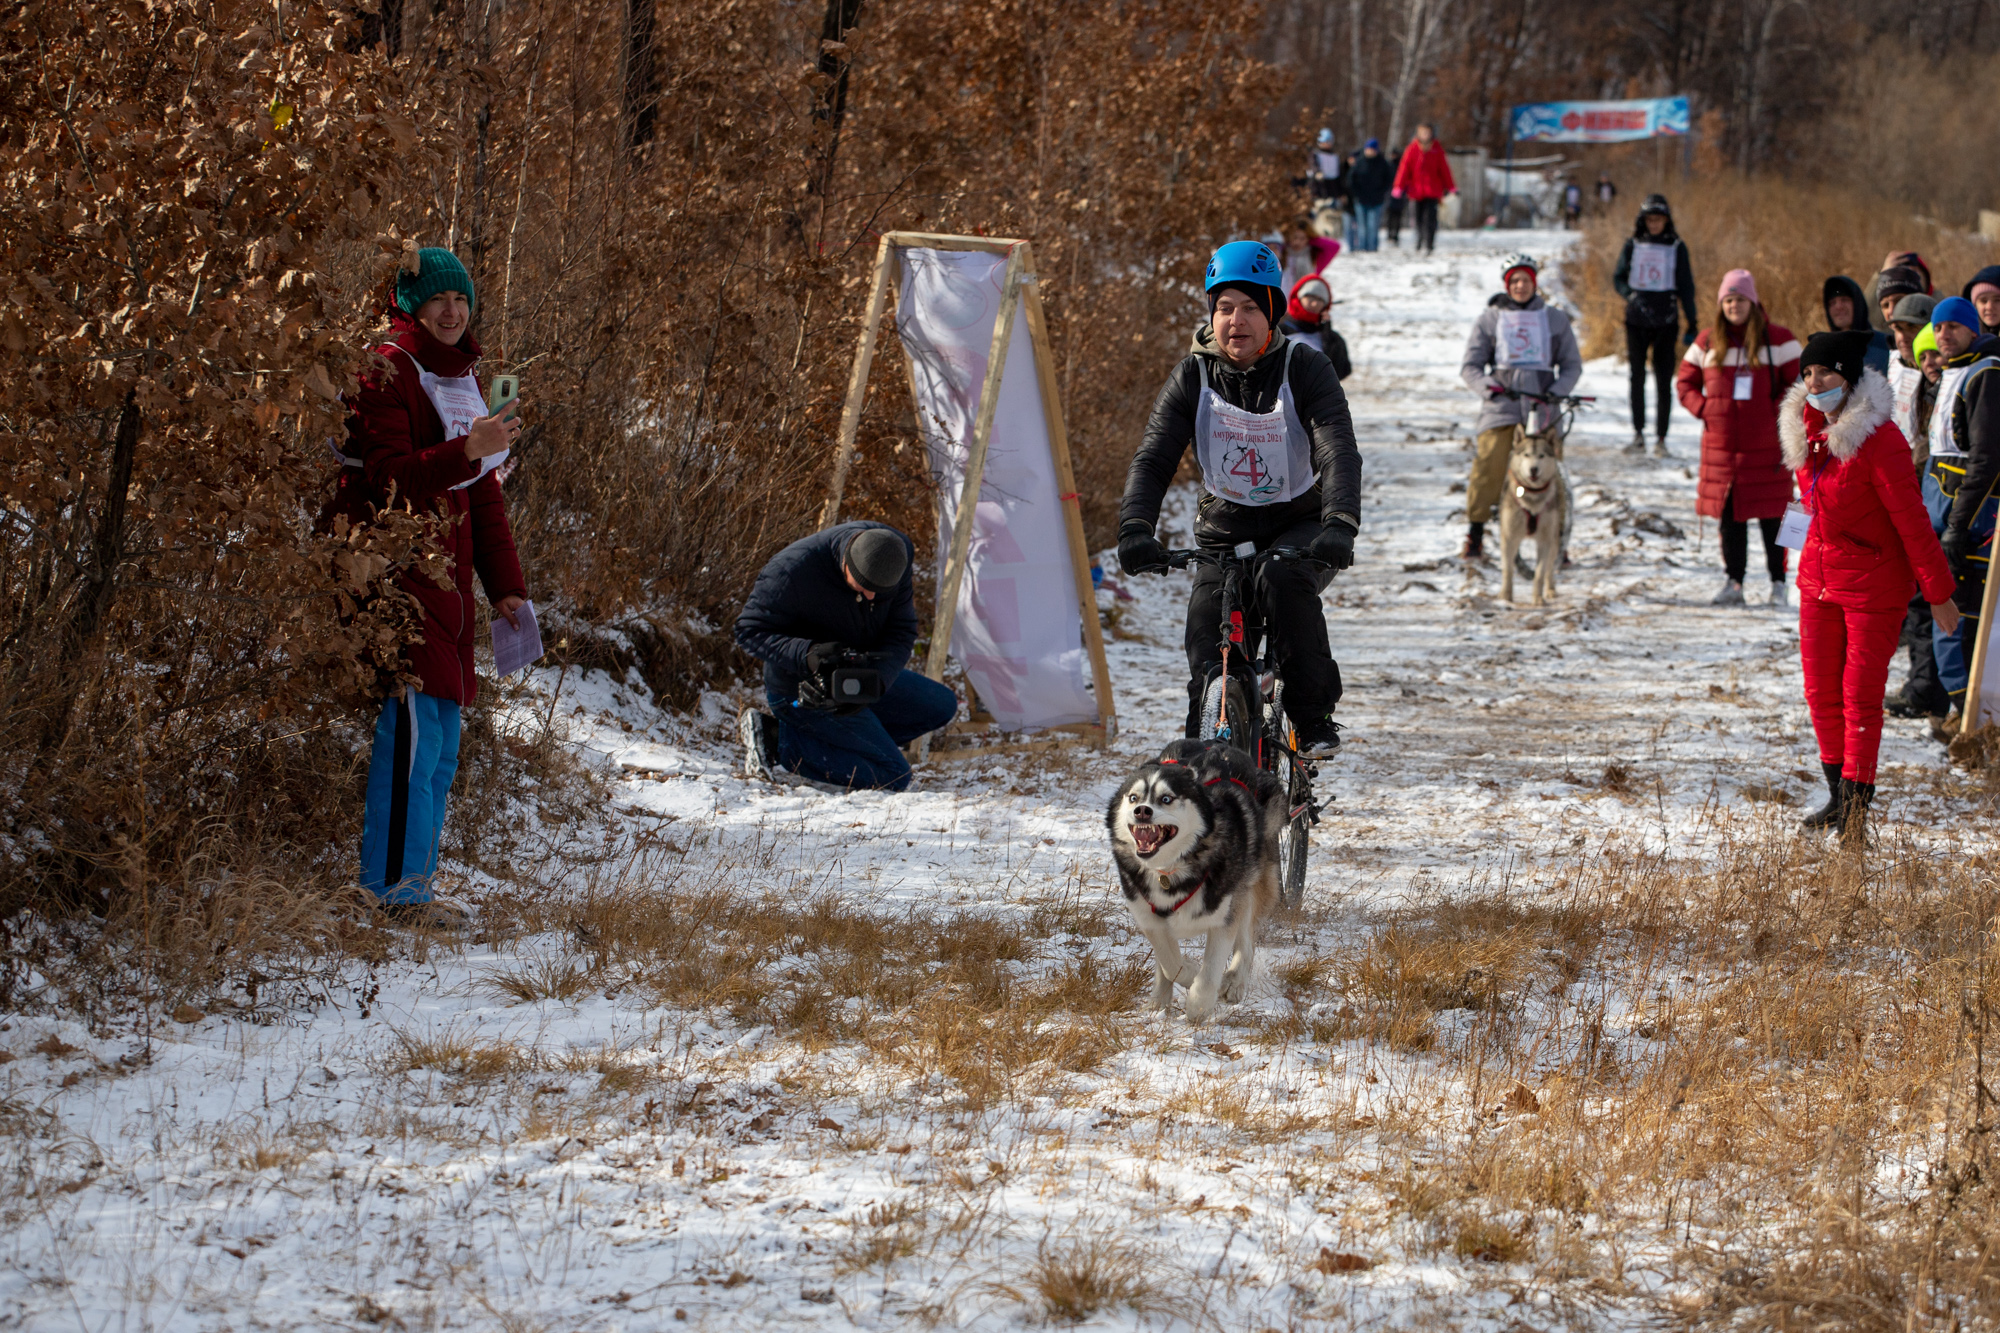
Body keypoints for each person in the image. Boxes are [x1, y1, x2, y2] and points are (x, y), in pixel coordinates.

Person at [327, 246, 528, 926]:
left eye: (462, 300)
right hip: (392, 573)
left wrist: (506, 588)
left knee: (439, 741)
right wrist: (466, 450)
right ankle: (388, 893)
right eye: (439, 299)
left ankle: (414, 886)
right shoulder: (387, 369)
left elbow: (485, 499)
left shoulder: (464, 377)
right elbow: (385, 479)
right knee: (410, 735)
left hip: (447, 580)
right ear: (410, 304)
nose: (452, 311)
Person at [1116, 240, 1361, 752]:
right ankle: (1203, 750)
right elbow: (1155, 456)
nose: (1236, 320)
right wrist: (1136, 528)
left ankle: (1313, 720)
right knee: (1208, 632)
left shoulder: (1305, 367)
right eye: (1225, 307)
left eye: (1250, 307)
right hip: (1223, 531)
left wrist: (1340, 523)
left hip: (1300, 526)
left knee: (1281, 579)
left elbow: (1337, 447)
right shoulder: (1193, 375)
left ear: (1273, 311)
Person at [1777, 331, 1958, 839]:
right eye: (1809, 374)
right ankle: (1836, 795)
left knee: (1859, 698)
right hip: (1818, 580)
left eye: (1826, 373)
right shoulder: (1807, 435)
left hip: (1875, 586)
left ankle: (1856, 812)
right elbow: (1805, 507)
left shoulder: (1880, 441)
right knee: (1820, 693)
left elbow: (1913, 523)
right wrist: (1794, 556)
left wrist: (1939, 594)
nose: (1816, 383)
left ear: (1850, 377)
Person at [734, 522, 958, 791]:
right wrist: (808, 654)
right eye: (863, 586)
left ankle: (851, 744)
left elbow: (902, 631)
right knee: (894, 776)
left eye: (880, 591)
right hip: (802, 688)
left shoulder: (896, 552)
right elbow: (749, 631)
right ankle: (776, 738)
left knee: (940, 704)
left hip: (859, 676)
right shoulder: (791, 570)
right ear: (845, 565)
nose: (872, 595)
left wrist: (877, 683)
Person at [1677, 268, 1801, 607]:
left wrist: (1776, 415)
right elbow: (1684, 382)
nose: (1734, 305)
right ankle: (1734, 583)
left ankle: (1778, 584)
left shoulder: (1780, 340)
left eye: (1740, 299)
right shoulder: (1705, 341)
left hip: (1768, 449)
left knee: (1774, 516)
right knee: (1730, 517)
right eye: (1728, 299)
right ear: (1721, 304)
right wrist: (1705, 408)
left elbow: (1798, 385)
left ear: (1753, 302)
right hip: (1723, 451)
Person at [1457, 253, 1582, 561]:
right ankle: (1475, 533)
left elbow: (1571, 365)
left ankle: (1556, 541)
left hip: (1543, 407)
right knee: (1489, 466)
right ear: (1507, 285)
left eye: (1526, 280)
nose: (1520, 286)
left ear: (1535, 283)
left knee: (1551, 471)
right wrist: (1490, 389)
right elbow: (1470, 366)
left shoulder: (1554, 319)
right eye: (1514, 281)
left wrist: (1555, 392)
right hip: (1502, 407)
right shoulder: (1490, 319)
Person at [1925, 296, 2000, 717]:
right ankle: (1956, 708)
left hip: (1970, 521)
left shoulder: (1985, 374)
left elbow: (1987, 458)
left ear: (1973, 329)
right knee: (1942, 614)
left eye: (1953, 326)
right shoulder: (1950, 374)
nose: (1944, 334)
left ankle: (1970, 715)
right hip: (1940, 516)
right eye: (1938, 328)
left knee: (1963, 618)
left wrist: (1958, 524)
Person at [1884, 302, 1950, 719]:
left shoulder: (1950, 385)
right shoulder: (1897, 373)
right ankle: (1922, 683)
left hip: (1936, 499)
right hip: (1911, 494)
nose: (1906, 340)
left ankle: (1930, 689)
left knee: (1931, 597)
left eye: (1914, 331)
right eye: (1899, 330)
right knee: (1915, 599)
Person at [1612, 195, 1698, 457]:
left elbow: (1686, 286)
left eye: (1658, 219)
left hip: (1666, 320)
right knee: (1636, 378)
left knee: (1663, 381)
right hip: (1636, 320)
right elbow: (1618, 277)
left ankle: (1661, 438)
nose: (1654, 224)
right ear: (1643, 220)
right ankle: (1638, 435)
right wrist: (1630, 294)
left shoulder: (1676, 246)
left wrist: (1692, 322)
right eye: (1650, 219)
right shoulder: (1633, 244)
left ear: (1666, 220)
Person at [1390, 123, 1455, 255]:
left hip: (1432, 190)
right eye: (1422, 132)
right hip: (1415, 191)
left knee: (1430, 218)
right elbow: (1404, 169)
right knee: (1417, 218)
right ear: (1418, 134)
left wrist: (1451, 186)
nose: (1425, 135)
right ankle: (1420, 240)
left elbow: (1444, 169)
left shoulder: (1437, 149)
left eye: (1427, 132)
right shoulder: (1412, 149)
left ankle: (1429, 243)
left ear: (1431, 134)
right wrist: (1398, 186)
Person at [1279, 273, 1352, 379]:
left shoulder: (1332, 338)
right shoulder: (1278, 330)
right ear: (1298, 297)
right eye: (1310, 297)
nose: (1314, 304)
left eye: (1320, 300)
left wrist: (1327, 336)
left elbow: (1340, 372)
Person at [1821, 276, 1891, 373]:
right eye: (1832, 303)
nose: (1838, 306)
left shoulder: (1886, 344)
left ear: (1858, 304)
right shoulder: (1822, 351)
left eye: (1844, 300)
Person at [1346, 139, 1393, 252]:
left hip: (1376, 200)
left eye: (1372, 149)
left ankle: (1372, 248)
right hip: (1361, 199)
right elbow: (1351, 180)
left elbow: (1388, 180)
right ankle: (1362, 247)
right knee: (1362, 227)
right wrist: (1356, 194)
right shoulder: (1359, 162)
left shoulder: (1383, 163)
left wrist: (1381, 192)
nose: (1370, 152)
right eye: (1368, 149)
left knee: (1373, 226)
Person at [1279, 217, 1340, 286]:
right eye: (1294, 237)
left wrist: (1312, 239)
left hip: (1307, 292)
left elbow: (1335, 246)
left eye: (1302, 238)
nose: (1297, 242)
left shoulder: (1314, 254)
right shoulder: (1282, 252)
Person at [1304, 128, 1345, 211]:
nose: (1327, 144)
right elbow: (1313, 164)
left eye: (1329, 141)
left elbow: (1338, 176)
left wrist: (1341, 193)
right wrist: (1317, 172)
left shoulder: (1335, 157)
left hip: (1332, 190)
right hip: (1318, 188)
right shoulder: (1315, 154)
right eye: (1325, 141)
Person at [1964, 265, 2000, 336]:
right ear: (1974, 305)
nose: (1989, 307)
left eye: (1997, 300)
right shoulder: (1967, 341)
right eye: (1983, 301)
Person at [1384, 146, 1407, 247]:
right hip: (1390, 194)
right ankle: (1390, 235)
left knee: (1397, 216)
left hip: (1399, 194)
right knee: (1391, 216)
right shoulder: (1389, 165)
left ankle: (1394, 235)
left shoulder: (1400, 166)